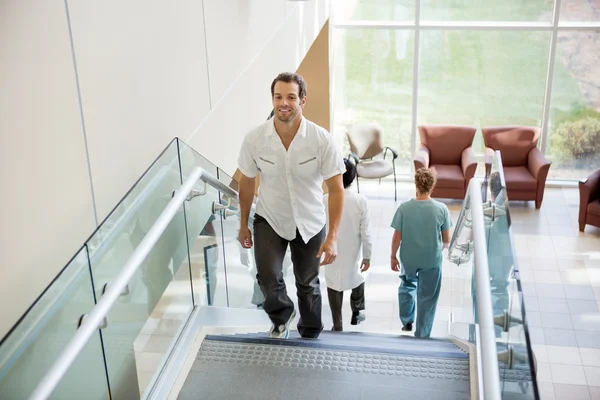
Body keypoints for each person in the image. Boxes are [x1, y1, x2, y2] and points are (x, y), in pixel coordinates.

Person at [237, 72, 345, 339]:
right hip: (270, 217)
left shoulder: (321, 140)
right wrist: (243, 224)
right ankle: (282, 316)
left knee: (307, 283)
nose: (283, 103)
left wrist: (332, 237)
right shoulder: (255, 139)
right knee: (267, 277)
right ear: (272, 99)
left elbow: (336, 190)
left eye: (290, 97)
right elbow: (247, 183)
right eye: (278, 97)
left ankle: (310, 333)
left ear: (302, 100)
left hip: (310, 221)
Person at [390, 167, 452, 338]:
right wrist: (441, 249)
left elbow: (397, 238)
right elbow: (447, 239)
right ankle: (422, 333)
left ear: (416, 185)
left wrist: (392, 256)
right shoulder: (441, 209)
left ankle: (407, 320)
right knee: (428, 296)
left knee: (407, 284)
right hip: (431, 259)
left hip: (409, 258)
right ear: (432, 187)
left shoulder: (404, 208)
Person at [323, 158, 372, 331]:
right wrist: (368, 255)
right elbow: (366, 233)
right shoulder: (360, 201)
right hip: (353, 249)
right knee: (357, 275)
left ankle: (337, 323)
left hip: (330, 249)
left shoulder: (324, 199)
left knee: (333, 283)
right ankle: (357, 311)